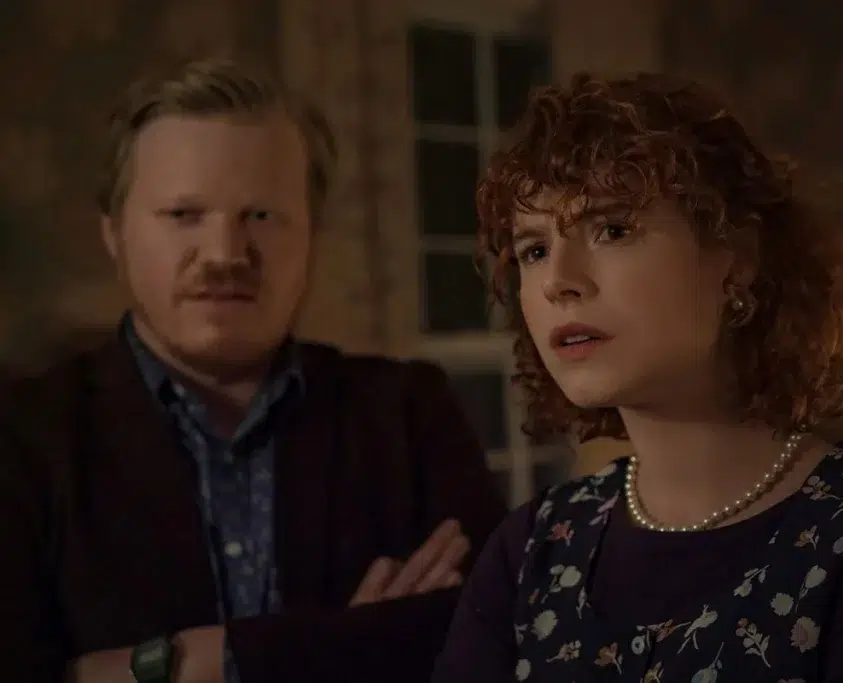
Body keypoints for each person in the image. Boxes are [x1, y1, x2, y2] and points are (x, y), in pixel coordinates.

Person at [433, 73, 843, 683]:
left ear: (739, 259)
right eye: (534, 250)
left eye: (613, 229)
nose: (558, 281)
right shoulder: (530, 552)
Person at [0, 58, 507, 683]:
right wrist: (349, 645)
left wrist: (198, 661)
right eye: (183, 214)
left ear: (313, 233)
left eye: (262, 216)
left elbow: (498, 640)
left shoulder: (408, 412)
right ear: (115, 234)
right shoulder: (21, 437)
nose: (225, 254)